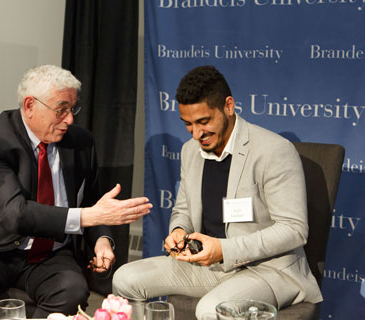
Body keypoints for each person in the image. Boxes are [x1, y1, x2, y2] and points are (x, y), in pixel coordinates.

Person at [0, 65, 152, 320]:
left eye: (72, 109)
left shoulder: (81, 142)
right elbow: (15, 214)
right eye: (61, 110)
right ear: (29, 105)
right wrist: (88, 217)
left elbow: (92, 202)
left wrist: (102, 240)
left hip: (49, 253)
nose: (69, 119)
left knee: (73, 291)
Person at [112, 65, 322, 319]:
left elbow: (294, 229)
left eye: (204, 121)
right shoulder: (190, 151)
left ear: (229, 106)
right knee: (125, 278)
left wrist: (225, 249)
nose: (197, 133)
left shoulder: (274, 150)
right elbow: (183, 210)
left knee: (212, 310)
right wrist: (178, 231)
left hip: (267, 269)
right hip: (208, 265)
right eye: (188, 124)